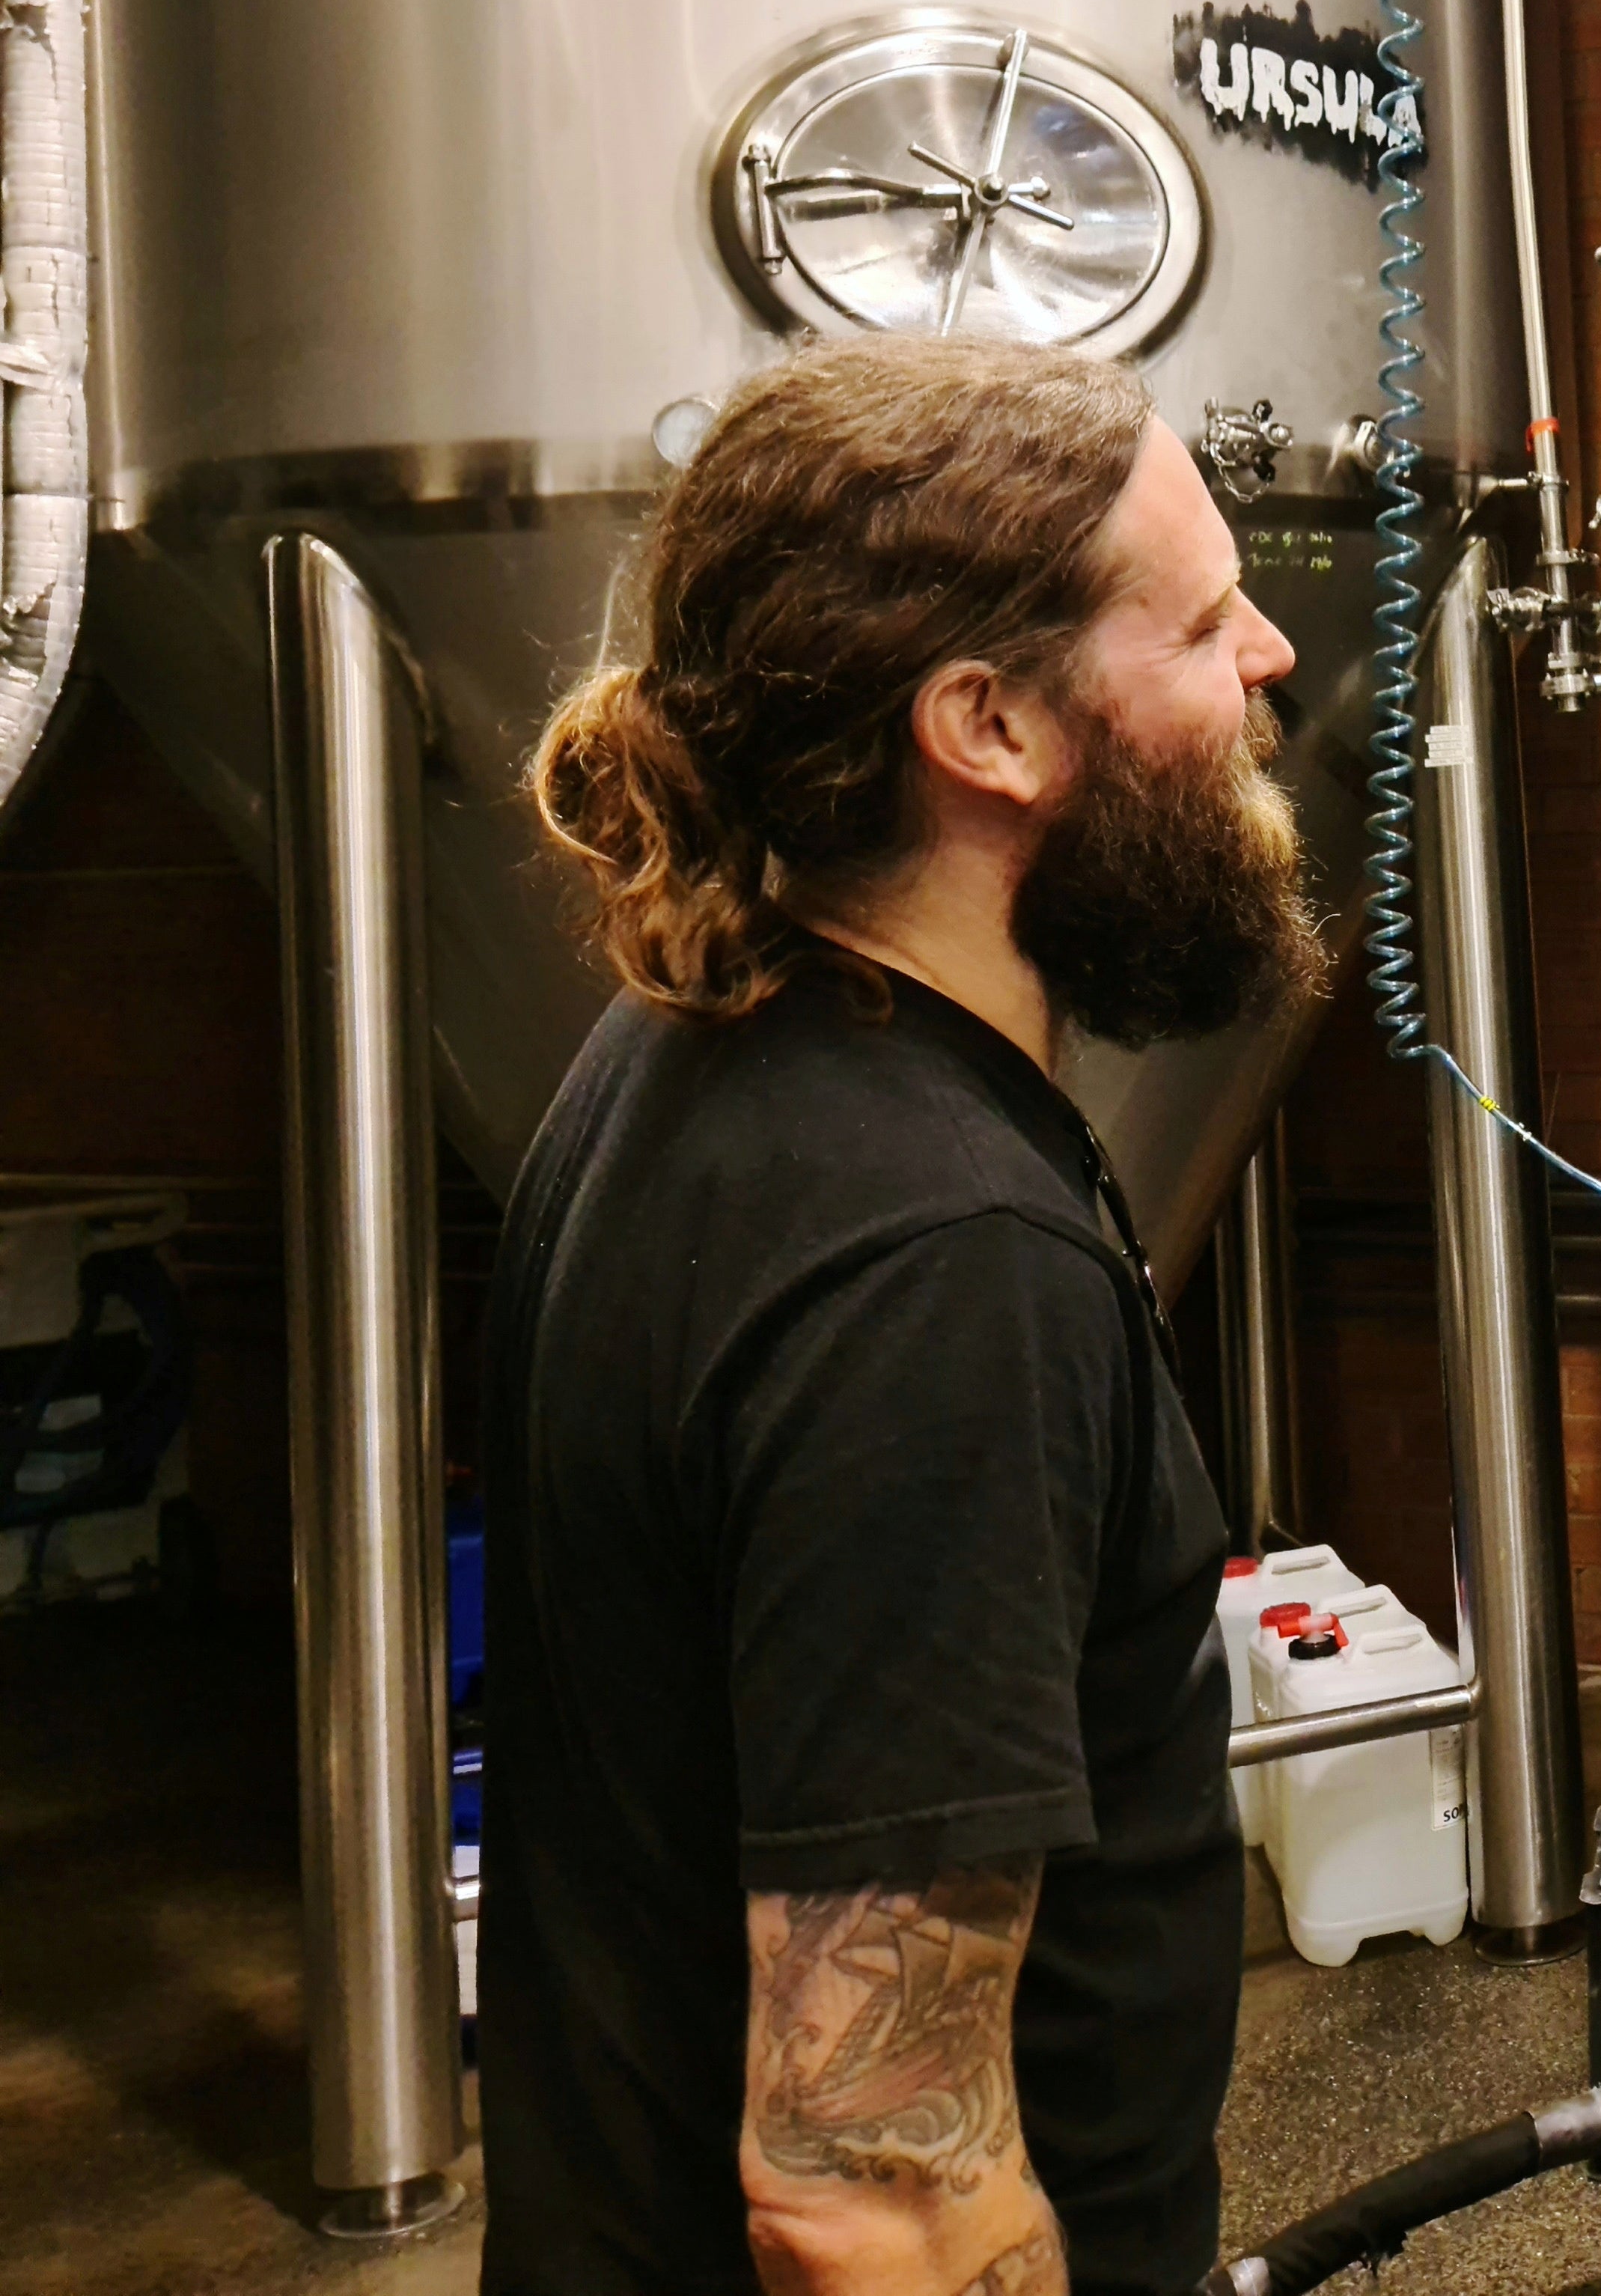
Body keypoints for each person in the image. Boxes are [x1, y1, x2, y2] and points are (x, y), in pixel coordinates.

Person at [477, 335, 1322, 2296]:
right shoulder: (933, 1265)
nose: (1270, 653)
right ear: (990, 728)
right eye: (1200, 623)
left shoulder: (696, 1058)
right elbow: (869, 2188)